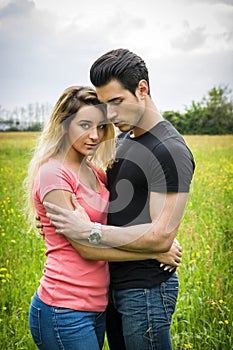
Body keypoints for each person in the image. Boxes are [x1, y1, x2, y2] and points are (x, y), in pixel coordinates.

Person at [26, 85, 183, 350]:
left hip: (96, 306)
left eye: (100, 127)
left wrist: (157, 238)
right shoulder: (54, 174)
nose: (94, 136)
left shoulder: (94, 171)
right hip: (63, 308)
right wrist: (155, 251)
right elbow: (86, 248)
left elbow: (107, 226)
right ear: (63, 125)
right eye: (84, 125)